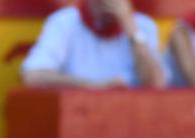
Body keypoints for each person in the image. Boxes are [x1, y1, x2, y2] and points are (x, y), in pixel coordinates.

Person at [21, 0, 166, 90]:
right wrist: (92, 87)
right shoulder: (64, 22)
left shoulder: (144, 26)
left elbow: (156, 83)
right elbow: (33, 76)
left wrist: (130, 27)